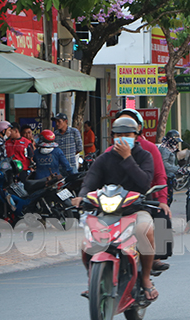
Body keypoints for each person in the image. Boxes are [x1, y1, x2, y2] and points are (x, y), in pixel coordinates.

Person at [74, 116, 158, 302]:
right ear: (112, 137)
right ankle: (93, 281)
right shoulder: (104, 158)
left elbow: (144, 183)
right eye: (118, 135)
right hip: (107, 210)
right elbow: (91, 179)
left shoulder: (144, 156)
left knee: (146, 231)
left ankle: (145, 279)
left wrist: (128, 158)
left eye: (127, 135)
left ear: (136, 136)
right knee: (87, 241)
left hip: (136, 210)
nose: (122, 138)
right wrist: (82, 195)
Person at [114, 109, 171, 272]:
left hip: (142, 198)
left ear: (138, 128)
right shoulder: (109, 152)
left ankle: (154, 259)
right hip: (115, 200)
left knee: (161, 217)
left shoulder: (149, 150)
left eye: (128, 126)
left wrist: (162, 201)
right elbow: (95, 176)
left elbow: (160, 176)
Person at [158, 130, 182, 205]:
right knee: (166, 199)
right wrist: (177, 169)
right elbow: (164, 164)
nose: (176, 144)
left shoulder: (170, 149)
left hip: (170, 176)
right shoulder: (165, 149)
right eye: (175, 141)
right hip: (165, 177)